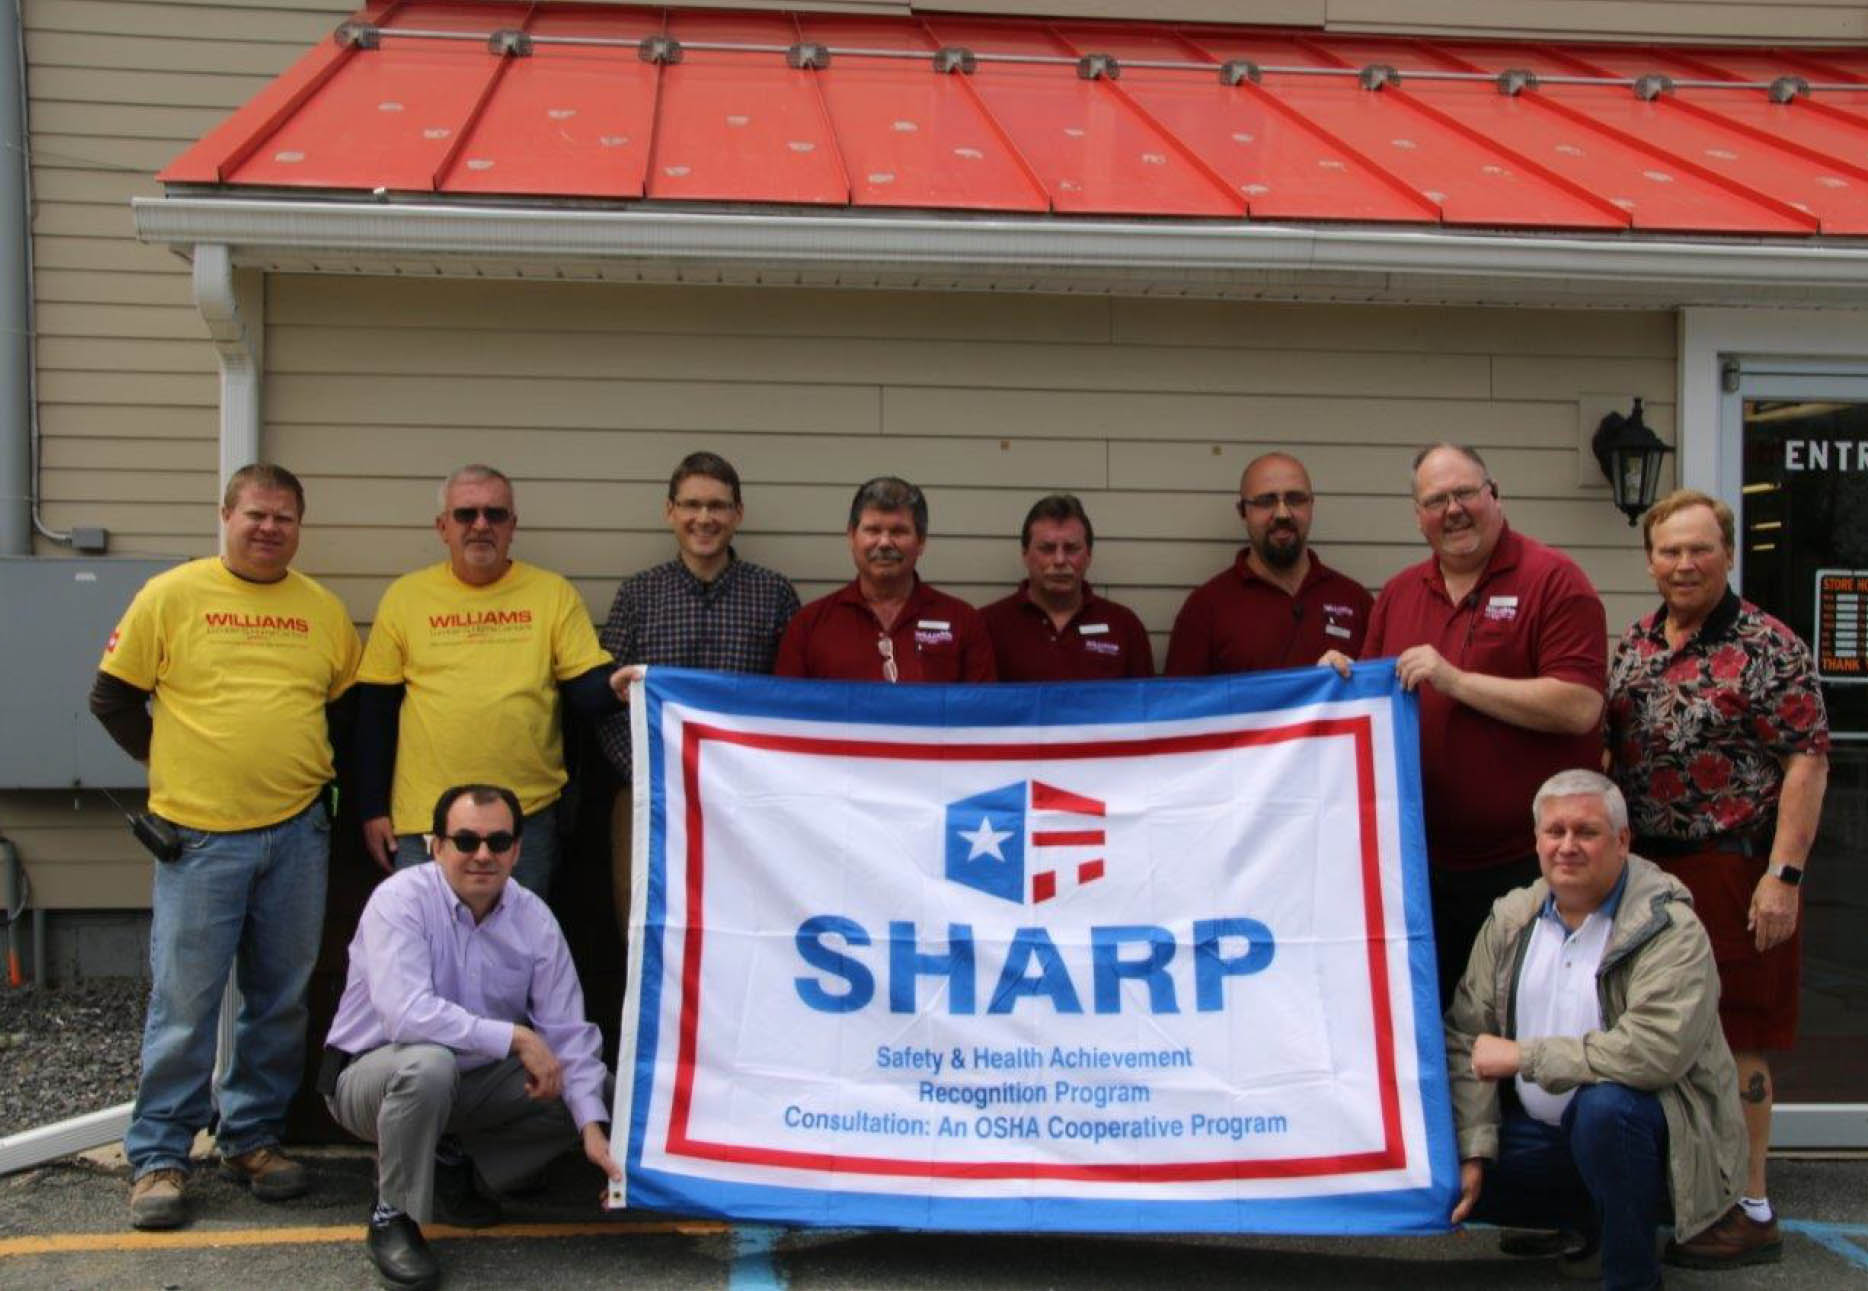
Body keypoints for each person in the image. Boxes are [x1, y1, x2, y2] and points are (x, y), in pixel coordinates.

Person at [89, 463, 363, 1230]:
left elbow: (341, 708)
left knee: (279, 997)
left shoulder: (322, 610)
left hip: (298, 834)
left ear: (299, 526)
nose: (269, 528)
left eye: (283, 517)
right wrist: (170, 762)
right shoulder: (173, 595)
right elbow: (110, 696)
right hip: (200, 839)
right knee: (186, 1003)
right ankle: (159, 1157)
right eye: (255, 514)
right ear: (226, 515)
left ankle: (251, 1138)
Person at [1606, 488, 1829, 1257]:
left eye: (1700, 548)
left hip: (1737, 869)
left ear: (1727, 554)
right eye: (1669, 550)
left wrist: (1785, 874)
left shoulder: (1769, 645)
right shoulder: (1635, 642)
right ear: (1650, 559)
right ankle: (1684, 1188)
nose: (1684, 563)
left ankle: (1751, 1205)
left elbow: (1807, 760)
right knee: (1659, 1034)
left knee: (1739, 1038)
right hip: (1647, 873)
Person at [1446, 770, 1756, 1288]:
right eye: (1555, 832)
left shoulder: (1668, 927)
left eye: (1586, 832)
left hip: (1655, 1150)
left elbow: (1655, 1051)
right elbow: (1466, 1036)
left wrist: (1524, 1057)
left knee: (1605, 1113)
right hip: (1544, 1139)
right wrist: (1474, 1150)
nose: (1567, 847)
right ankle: (1586, 1226)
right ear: (1537, 841)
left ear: (1622, 841)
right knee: (1434, 1150)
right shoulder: (1511, 920)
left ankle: (1630, 1275)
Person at [1322, 443, 1607, 1005]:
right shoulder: (1402, 592)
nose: (1452, 510)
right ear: (1418, 515)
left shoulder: (1554, 579)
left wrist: (1456, 681)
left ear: (1493, 495)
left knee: (1523, 1031)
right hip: (1424, 867)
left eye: (1464, 493)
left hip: (1529, 867)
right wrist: (1336, 682)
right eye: (1435, 500)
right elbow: (1377, 697)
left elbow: (1578, 704)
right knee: (1440, 1025)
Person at [324, 783, 621, 1291]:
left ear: (517, 850)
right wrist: (516, 1038)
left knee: (596, 1091)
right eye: (465, 841)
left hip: (466, 1086)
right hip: (370, 1079)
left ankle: (451, 1161)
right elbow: (406, 1015)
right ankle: (392, 1215)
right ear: (435, 845)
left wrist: (594, 1131)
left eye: (498, 842)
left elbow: (569, 1034)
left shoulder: (533, 917)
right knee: (428, 1064)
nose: (483, 855)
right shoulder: (398, 900)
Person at [355, 465, 627, 900]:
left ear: (512, 526)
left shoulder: (552, 594)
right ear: (443, 526)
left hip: (524, 819)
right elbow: (376, 712)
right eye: (466, 514)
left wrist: (619, 688)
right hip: (427, 823)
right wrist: (371, 806)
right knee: (424, 952)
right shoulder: (405, 597)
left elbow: (585, 686)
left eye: (495, 514)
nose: (481, 525)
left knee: (513, 953)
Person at [596, 451, 800, 938]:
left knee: (748, 921)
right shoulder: (638, 596)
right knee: (644, 922)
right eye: (691, 505)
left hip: (749, 797)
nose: (703, 518)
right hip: (651, 791)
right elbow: (609, 704)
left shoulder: (772, 595)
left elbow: (792, 702)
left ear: (737, 514)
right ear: (670, 512)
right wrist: (648, 770)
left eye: (717, 506)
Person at [1165, 453, 1370, 675]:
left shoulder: (1355, 600)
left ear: (1312, 505)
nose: (1282, 513)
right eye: (1266, 501)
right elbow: (1179, 704)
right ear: (1242, 512)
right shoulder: (1206, 610)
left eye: (1295, 499)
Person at [776, 476, 996, 683]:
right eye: (872, 530)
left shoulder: (964, 622)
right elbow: (785, 715)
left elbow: (982, 713)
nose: (884, 543)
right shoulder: (808, 625)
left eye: (898, 531)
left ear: (921, 541)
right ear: (851, 537)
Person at [982, 494, 1153, 681]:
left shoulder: (1124, 626)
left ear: (1088, 555)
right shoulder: (988, 625)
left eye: (1071, 549)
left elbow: (1145, 706)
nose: (1060, 560)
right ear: (1025, 555)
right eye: (1047, 549)